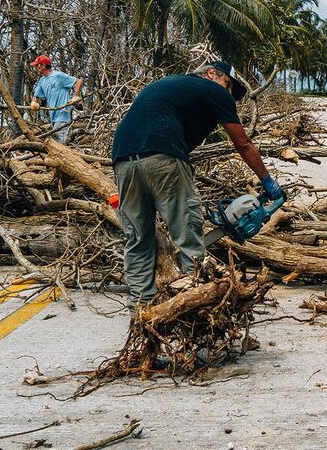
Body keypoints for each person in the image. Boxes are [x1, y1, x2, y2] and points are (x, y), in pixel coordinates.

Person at [110, 61, 284, 306]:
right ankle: (192, 301)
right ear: (212, 73)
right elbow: (242, 143)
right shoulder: (213, 90)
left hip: (122, 160)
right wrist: (267, 180)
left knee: (138, 238)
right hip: (163, 156)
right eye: (228, 85)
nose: (229, 93)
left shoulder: (171, 86)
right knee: (187, 234)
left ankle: (141, 307)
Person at [29, 55, 83, 143]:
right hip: (53, 117)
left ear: (43, 65)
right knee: (59, 144)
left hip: (63, 114)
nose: (36, 67)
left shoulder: (58, 76)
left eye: (37, 65)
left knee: (61, 144)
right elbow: (37, 94)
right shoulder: (42, 80)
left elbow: (79, 81)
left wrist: (76, 96)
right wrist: (34, 102)